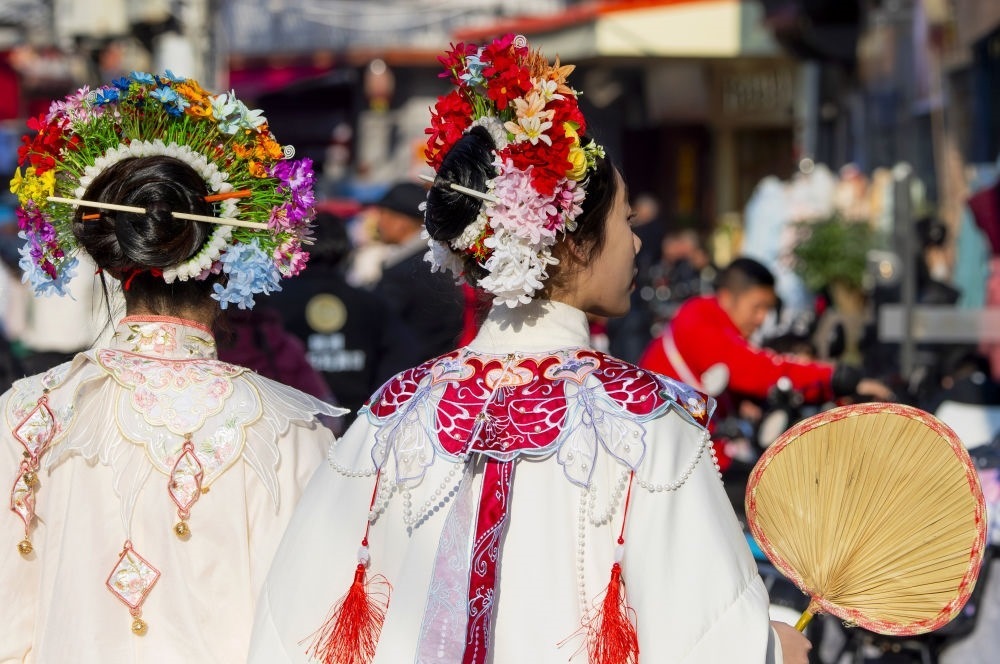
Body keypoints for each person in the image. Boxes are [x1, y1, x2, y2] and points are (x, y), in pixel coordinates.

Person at [249, 35, 810, 663]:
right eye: (625, 221)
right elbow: (709, 637)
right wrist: (775, 647)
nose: (636, 244)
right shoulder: (649, 418)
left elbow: (292, 627)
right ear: (573, 241)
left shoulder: (392, 410)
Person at [0, 72, 344, 661]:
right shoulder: (289, 428)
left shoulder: (25, 414)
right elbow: (314, 633)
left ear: (109, 259)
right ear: (226, 256)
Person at [639, 256, 891, 412]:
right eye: (757, 307)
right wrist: (835, 378)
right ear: (727, 297)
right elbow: (755, 369)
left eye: (767, 310)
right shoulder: (698, 318)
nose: (761, 318)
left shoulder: (714, 321)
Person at [268, 211, 423, 424]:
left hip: (290, 425)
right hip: (359, 424)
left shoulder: (271, 305)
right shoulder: (371, 303)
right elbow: (403, 358)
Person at [372, 181, 466, 361]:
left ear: (402, 222)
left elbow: (380, 324)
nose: (379, 223)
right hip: (446, 360)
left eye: (384, 214)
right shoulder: (441, 259)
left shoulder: (402, 272)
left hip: (413, 365)